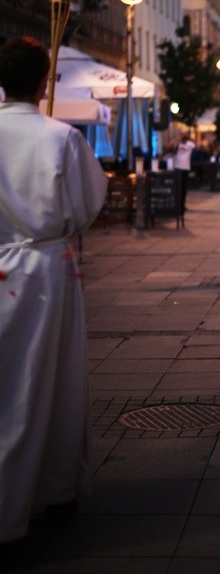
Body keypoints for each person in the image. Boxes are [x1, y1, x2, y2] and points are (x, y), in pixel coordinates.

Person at [0, 37, 108, 546]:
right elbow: (88, 202)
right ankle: (55, 484)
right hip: (46, 268)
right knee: (56, 381)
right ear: (45, 81)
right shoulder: (60, 137)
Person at [174, 131, 195, 212]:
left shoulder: (190, 144)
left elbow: (194, 145)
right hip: (177, 167)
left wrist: (187, 137)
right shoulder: (178, 144)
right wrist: (178, 142)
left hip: (185, 168)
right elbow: (173, 150)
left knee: (183, 188)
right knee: (178, 187)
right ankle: (178, 205)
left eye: (184, 136)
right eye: (182, 136)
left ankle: (182, 205)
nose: (183, 137)